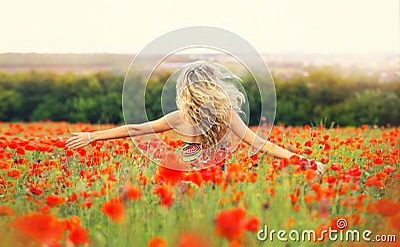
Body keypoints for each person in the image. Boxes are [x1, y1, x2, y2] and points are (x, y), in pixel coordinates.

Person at [66, 61, 325, 174]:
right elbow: (262, 144)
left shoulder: (179, 118)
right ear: (214, 86)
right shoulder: (227, 115)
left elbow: (135, 129)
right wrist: (304, 160)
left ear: (184, 91)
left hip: (187, 173)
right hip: (218, 174)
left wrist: (92, 136)